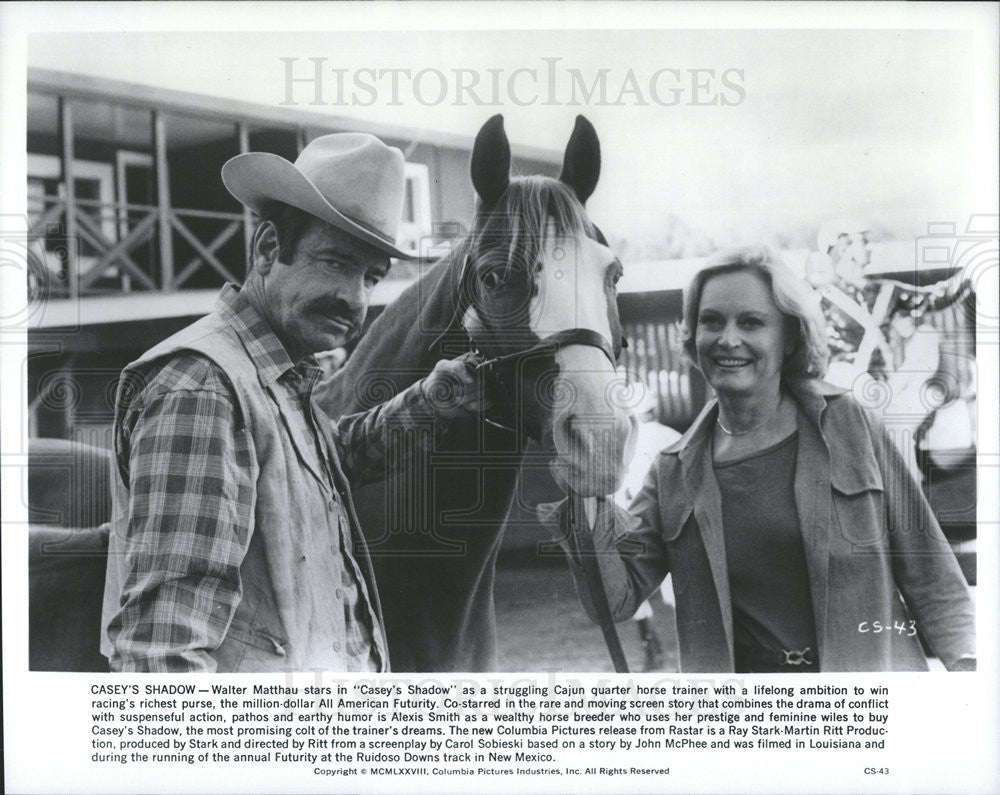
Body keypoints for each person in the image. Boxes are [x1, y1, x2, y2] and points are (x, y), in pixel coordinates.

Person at [101, 134, 484, 672]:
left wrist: (434, 400)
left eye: (371, 277)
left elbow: (328, 464)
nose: (354, 297)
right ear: (266, 249)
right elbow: (162, 654)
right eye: (334, 262)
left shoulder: (273, 374)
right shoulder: (203, 386)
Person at [549, 245, 975, 672]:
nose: (728, 339)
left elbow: (933, 579)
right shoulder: (672, 471)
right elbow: (614, 601)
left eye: (751, 322)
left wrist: (968, 672)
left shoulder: (852, 426)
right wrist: (584, 485)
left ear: (788, 336)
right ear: (692, 335)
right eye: (711, 321)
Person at [612, 384, 681, 671]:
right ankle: (684, 653)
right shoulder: (676, 437)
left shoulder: (626, 443)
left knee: (634, 589)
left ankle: (651, 649)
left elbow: (617, 491)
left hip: (636, 524)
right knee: (679, 593)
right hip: (673, 523)